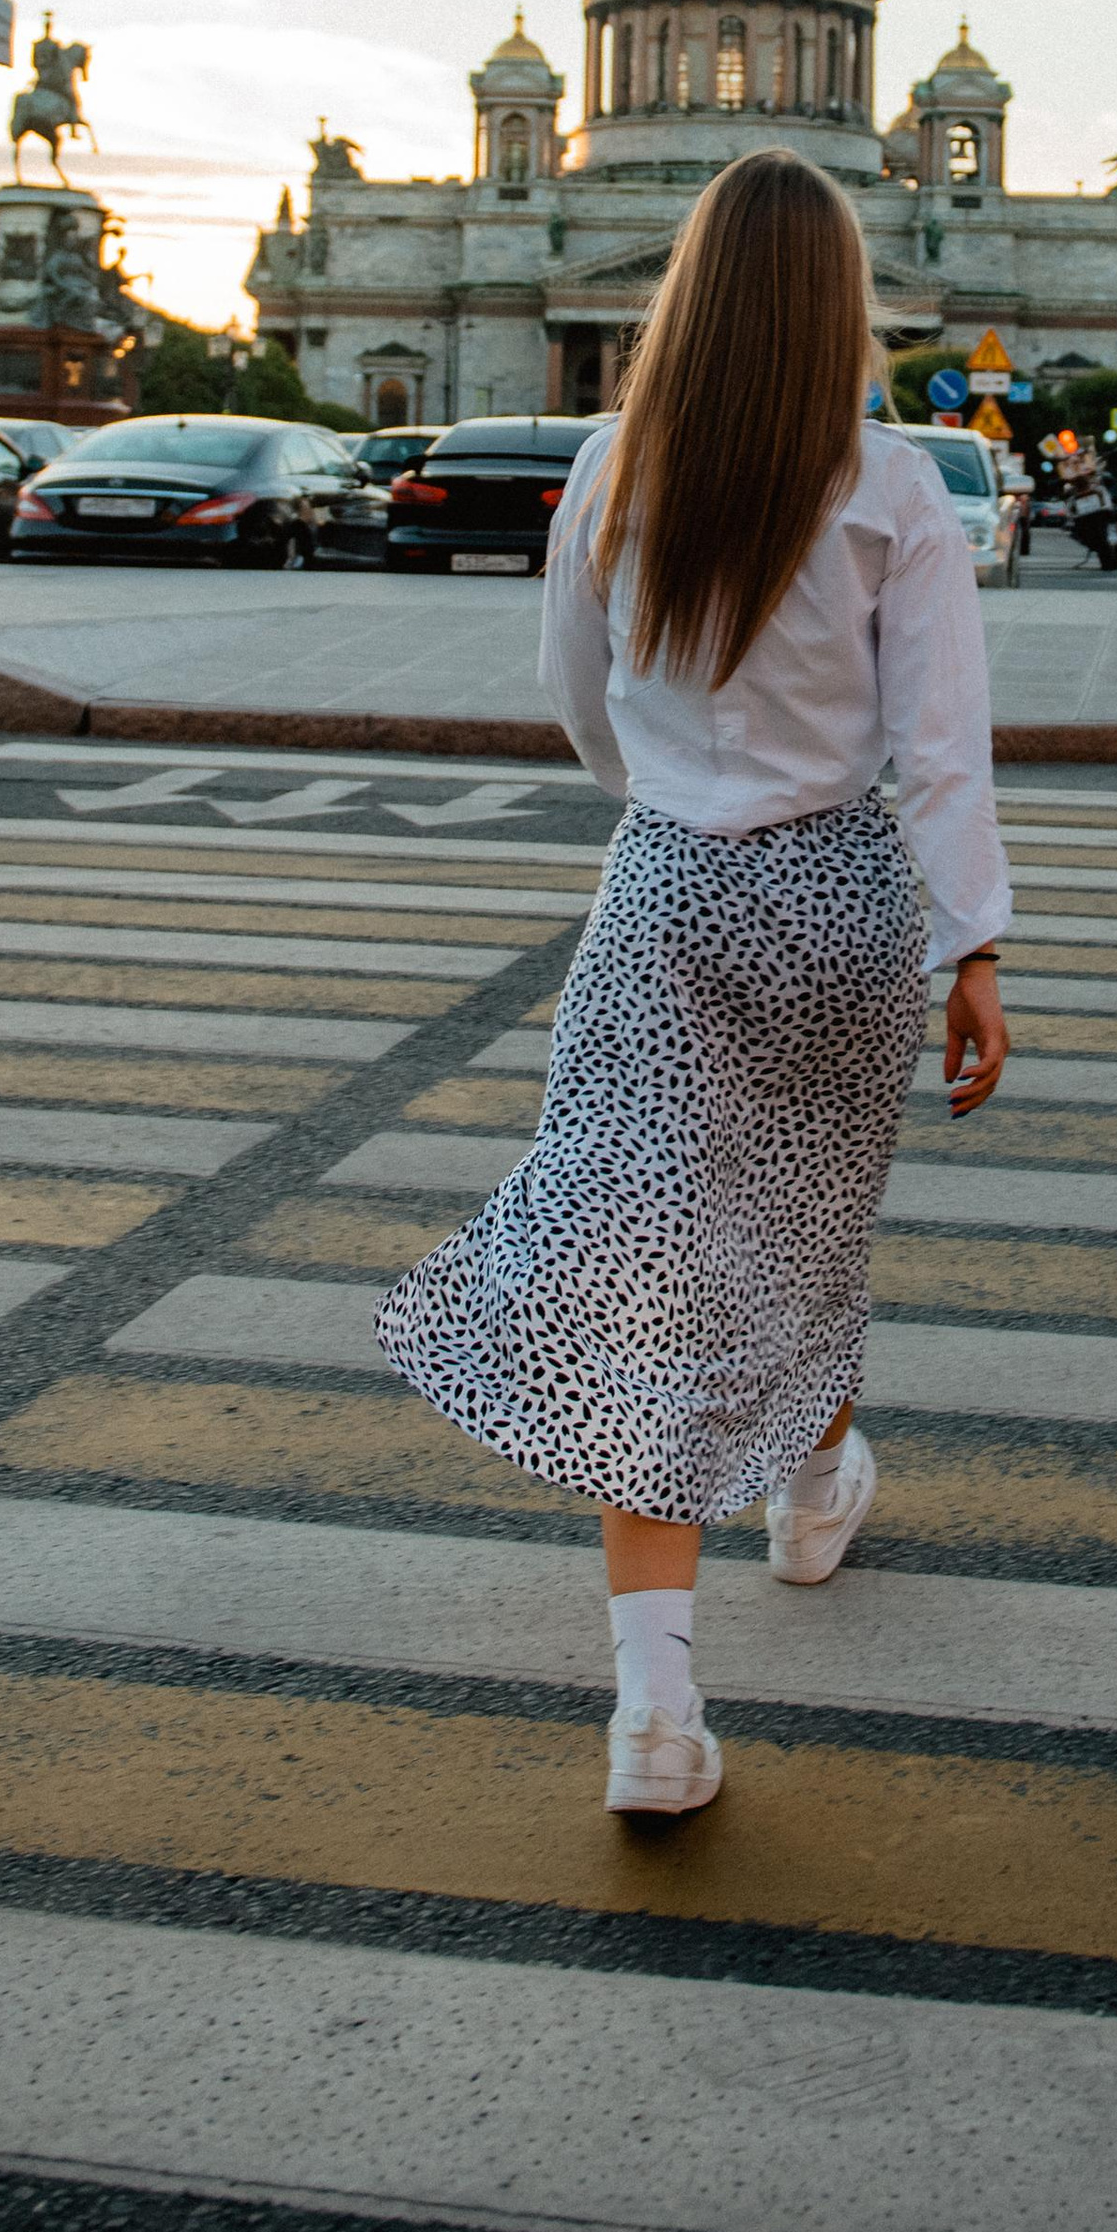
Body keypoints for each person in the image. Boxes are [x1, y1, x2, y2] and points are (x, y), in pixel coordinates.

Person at [375, 151, 1011, 1817]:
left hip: (669, 890)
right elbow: (941, 752)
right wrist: (977, 949)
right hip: (844, 897)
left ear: (689, 291)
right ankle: (816, 1488)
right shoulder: (898, 486)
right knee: (803, 1219)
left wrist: (660, 793)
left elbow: (571, 693)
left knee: (646, 1260)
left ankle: (656, 1707)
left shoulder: (612, 463)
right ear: (839, 310)